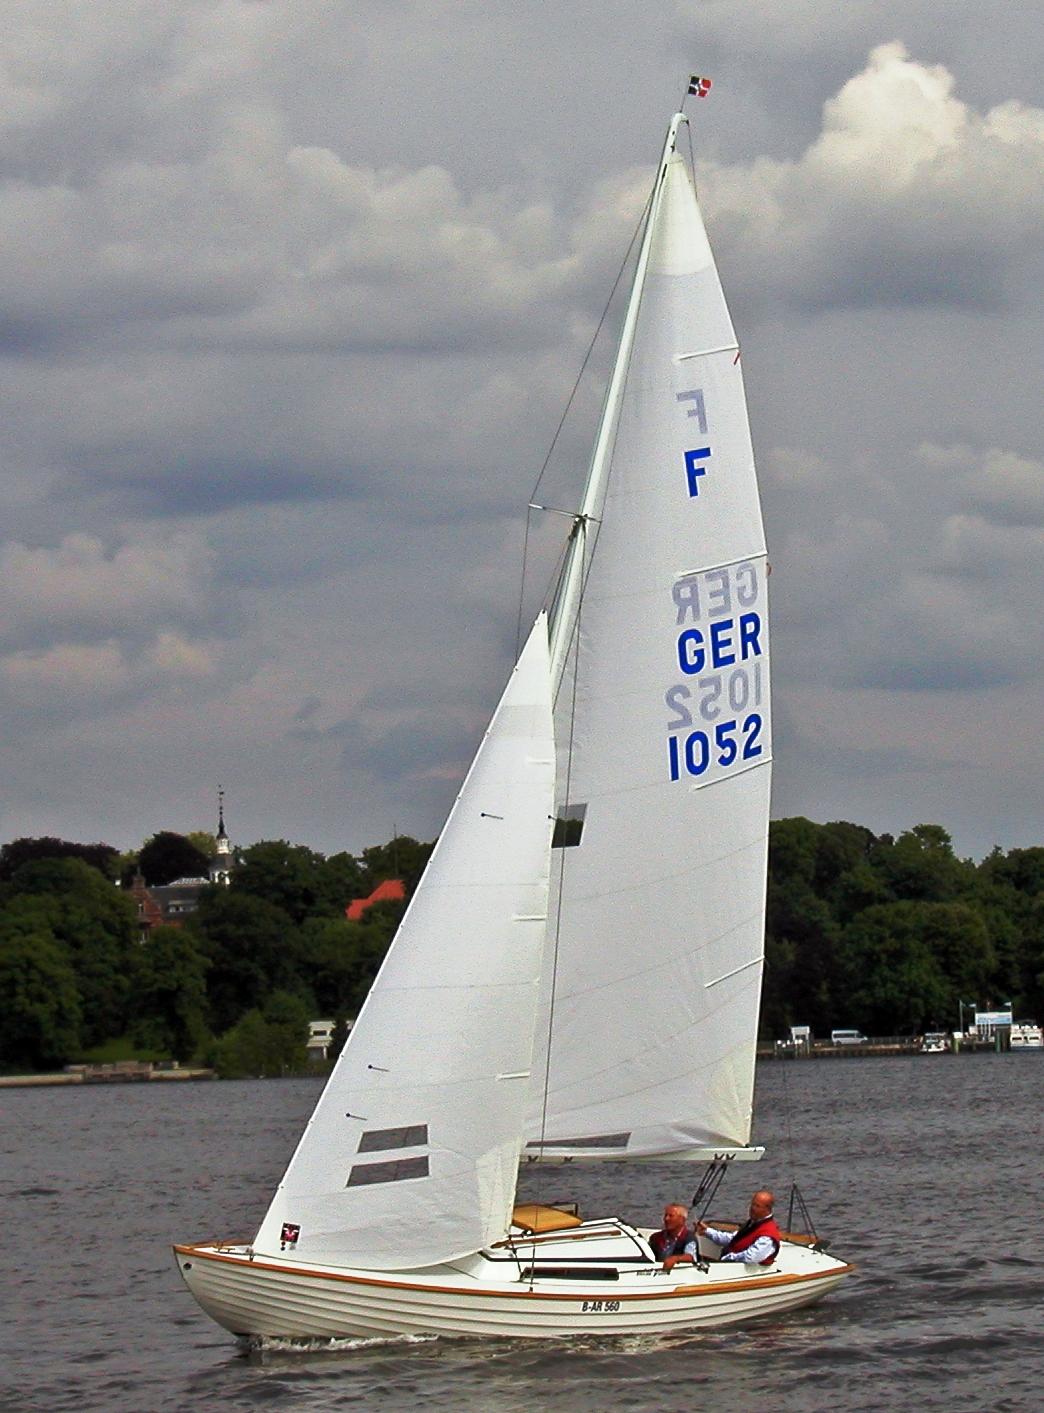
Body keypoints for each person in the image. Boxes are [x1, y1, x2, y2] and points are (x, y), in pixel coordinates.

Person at [662, 1189, 781, 1271]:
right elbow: (732, 1239)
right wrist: (708, 1232)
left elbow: (752, 1258)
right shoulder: (752, 1223)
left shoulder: (768, 1235)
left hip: (742, 1272)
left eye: (757, 1206)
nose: (752, 1209)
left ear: (767, 1209)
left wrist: (729, 1258)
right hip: (727, 1266)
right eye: (752, 1204)